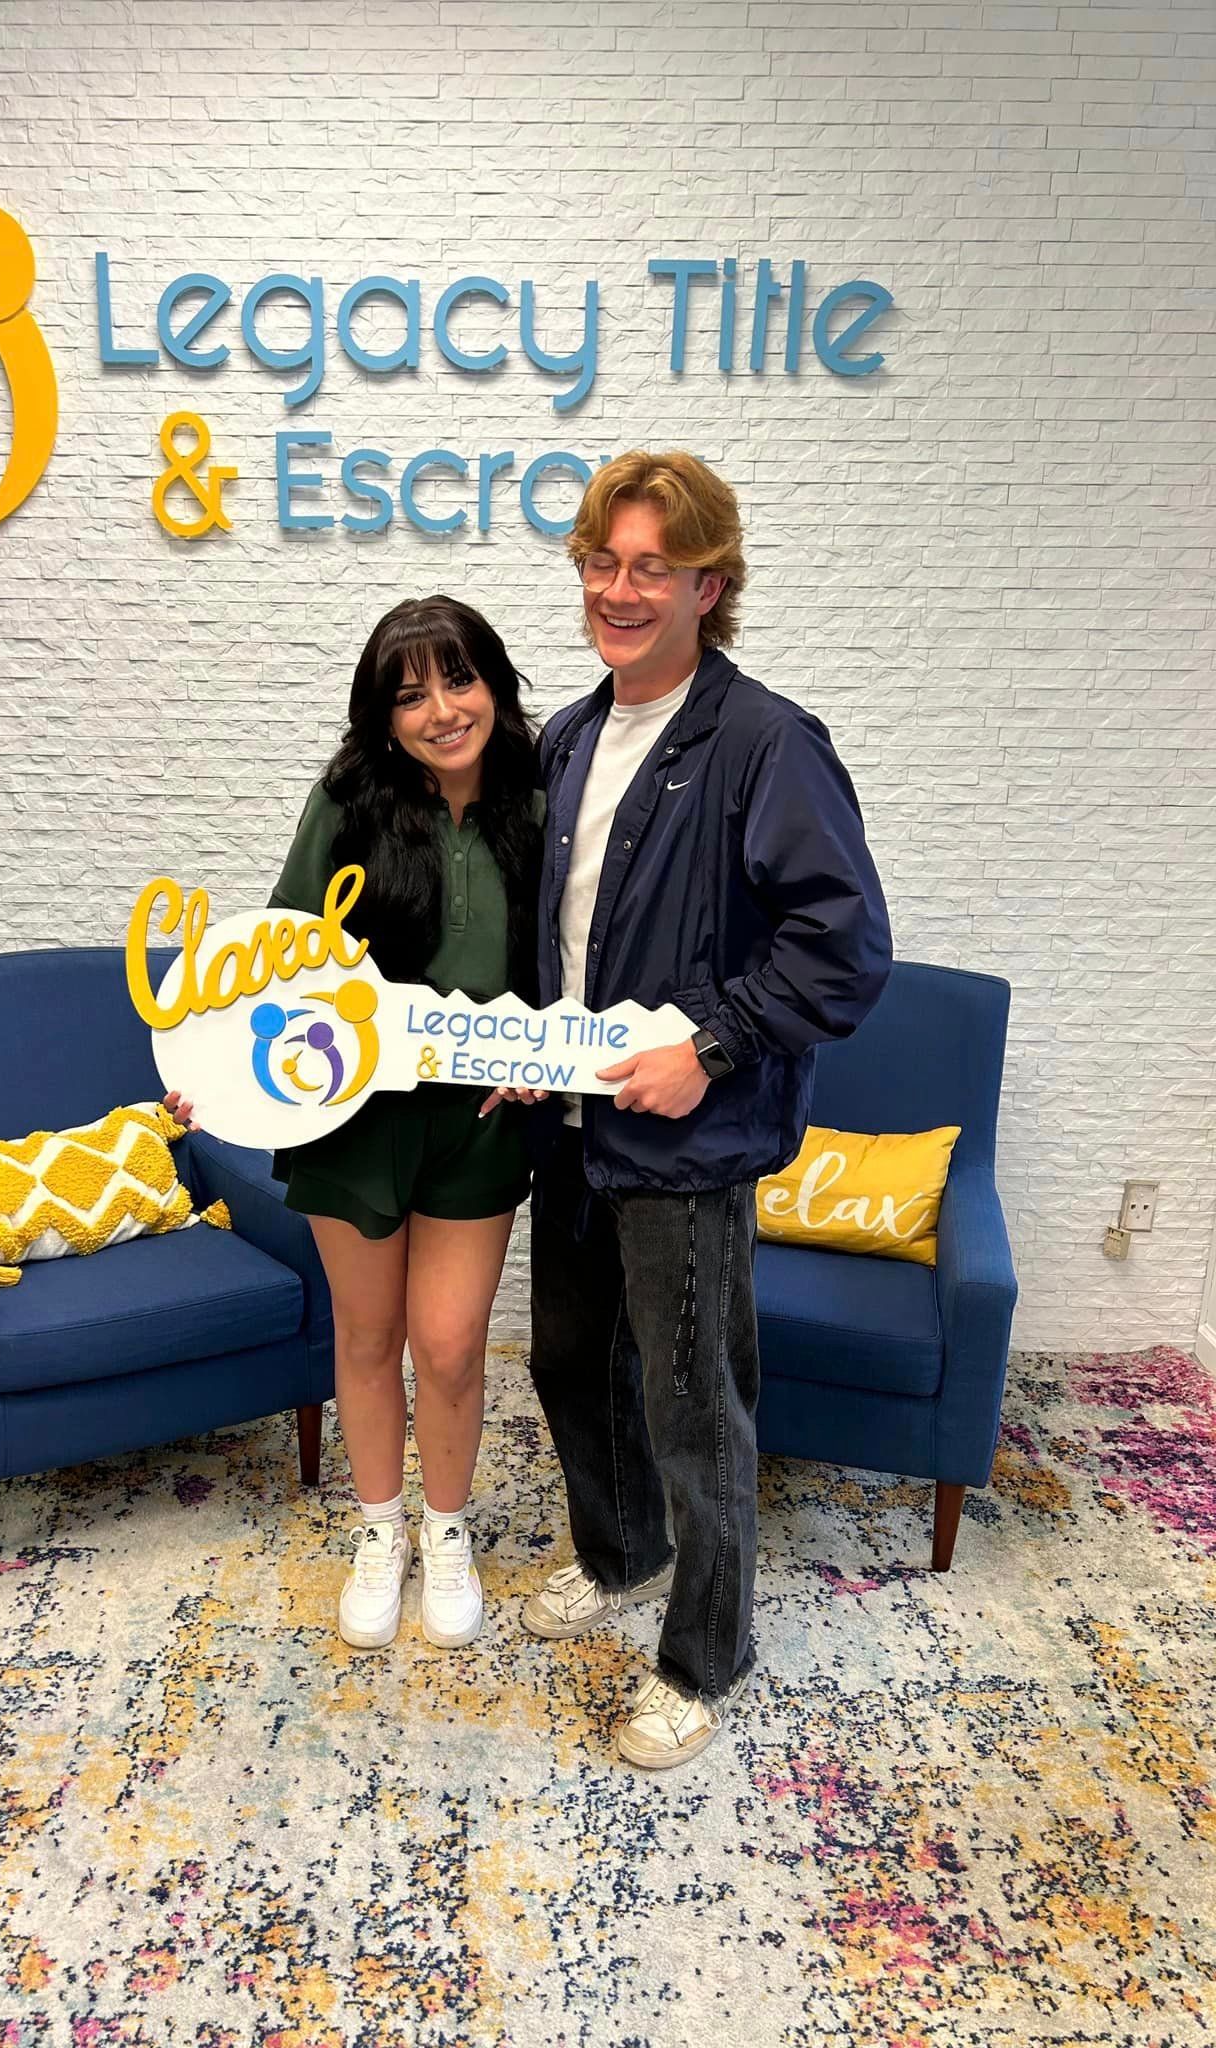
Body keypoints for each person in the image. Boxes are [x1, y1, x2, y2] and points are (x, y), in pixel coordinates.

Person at [496, 451, 892, 1770]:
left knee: (693, 1405)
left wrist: (711, 1046)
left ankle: (705, 1650)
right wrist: (510, 1039)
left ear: (706, 583)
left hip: (687, 1142)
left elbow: (842, 951)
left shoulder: (767, 743)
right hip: (569, 1127)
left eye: (649, 566)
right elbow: (558, 938)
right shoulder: (566, 734)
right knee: (566, 1364)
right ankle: (618, 1554)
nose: (618, 588)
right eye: (602, 563)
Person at [165, 596, 544, 1654]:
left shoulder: (546, 799)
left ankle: (448, 1527)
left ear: (496, 687)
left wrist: (546, 1063)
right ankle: (382, 1530)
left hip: (479, 1117)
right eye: (409, 692)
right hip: (348, 1112)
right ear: (381, 717)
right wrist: (209, 1070)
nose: (439, 708)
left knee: (454, 1343)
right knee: (369, 1334)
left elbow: (577, 958)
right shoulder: (346, 801)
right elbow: (273, 958)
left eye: (457, 679)